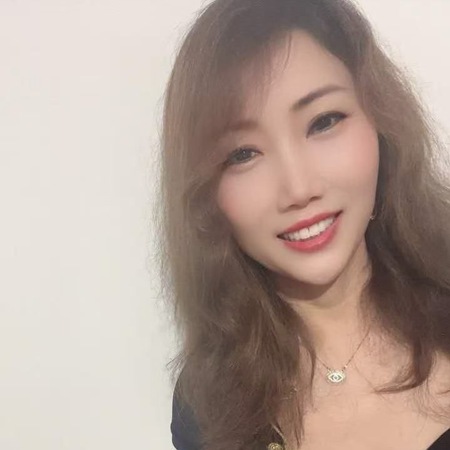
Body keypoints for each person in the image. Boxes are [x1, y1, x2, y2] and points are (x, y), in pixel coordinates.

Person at [153, 0, 450, 448]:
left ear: (381, 122)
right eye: (242, 154)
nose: (298, 188)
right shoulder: (207, 406)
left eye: (323, 122)